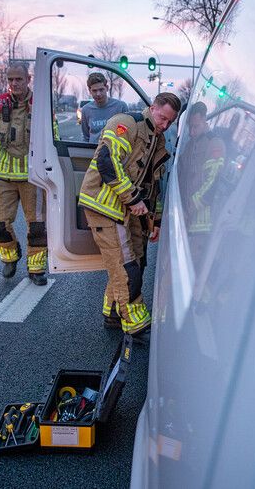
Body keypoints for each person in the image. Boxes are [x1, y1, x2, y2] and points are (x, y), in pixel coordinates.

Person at [78, 92, 181, 335]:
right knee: (126, 267)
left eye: (170, 122)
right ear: (152, 107)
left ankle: (113, 312)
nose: (164, 125)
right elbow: (107, 162)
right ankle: (135, 322)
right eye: (162, 118)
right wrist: (133, 198)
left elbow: (154, 186)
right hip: (105, 206)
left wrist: (154, 221)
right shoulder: (126, 124)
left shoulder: (159, 141)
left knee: (139, 261)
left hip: (128, 210)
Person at [0, 62, 47, 286]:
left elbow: (52, 134)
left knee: (37, 226)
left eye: (18, 79)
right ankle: (10, 257)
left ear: (28, 79)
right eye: (10, 79)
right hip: (2, 175)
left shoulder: (41, 103)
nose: (14, 83)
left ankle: (36, 268)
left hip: (32, 177)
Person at [182, 102, 226, 245]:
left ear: (204, 120)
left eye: (195, 126)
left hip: (200, 224)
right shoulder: (190, 144)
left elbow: (212, 183)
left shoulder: (214, 144)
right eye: (190, 127)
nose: (191, 132)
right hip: (186, 218)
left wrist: (189, 208)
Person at [80, 72, 128, 143]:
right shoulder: (86, 110)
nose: (98, 94)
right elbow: (86, 137)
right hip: (93, 151)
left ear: (107, 88)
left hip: (114, 152)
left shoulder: (121, 107)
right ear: (90, 91)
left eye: (101, 90)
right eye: (94, 91)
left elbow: (127, 133)